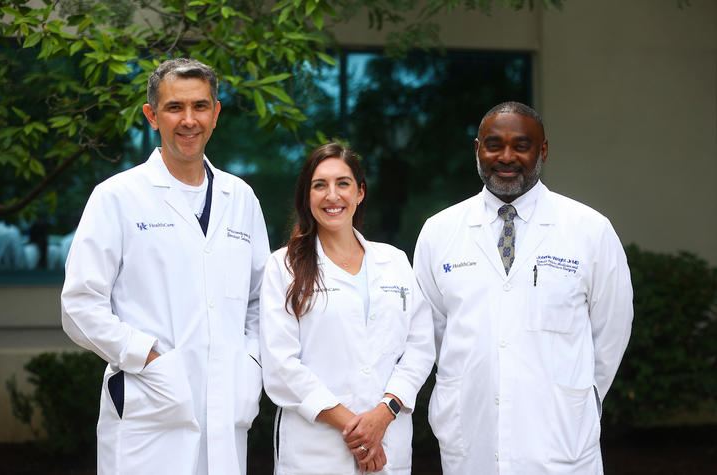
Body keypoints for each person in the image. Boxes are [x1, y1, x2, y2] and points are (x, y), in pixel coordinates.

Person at [61, 58, 270, 475]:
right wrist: (148, 358)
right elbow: (80, 305)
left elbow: (260, 301)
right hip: (149, 405)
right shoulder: (117, 197)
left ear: (216, 114)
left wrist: (250, 365)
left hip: (226, 407)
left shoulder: (241, 197)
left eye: (200, 106)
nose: (188, 120)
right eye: (175, 107)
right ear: (152, 116)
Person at [413, 102, 633, 474]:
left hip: (560, 438)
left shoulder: (589, 230)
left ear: (542, 150)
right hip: (470, 433)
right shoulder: (439, 231)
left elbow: (612, 330)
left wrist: (577, 397)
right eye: (494, 144)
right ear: (478, 149)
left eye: (522, 145)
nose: (506, 157)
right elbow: (429, 332)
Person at [259, 143, 435, 474]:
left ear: (360, 193)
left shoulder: (394, 261)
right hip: (316, 451)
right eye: (319, 185)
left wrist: (385, 413)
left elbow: (420, 349)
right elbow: (281, 366)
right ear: (307, 196)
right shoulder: (283, 266)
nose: (332, 195)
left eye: (343, 183)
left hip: (388, 441)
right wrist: (359, 431)